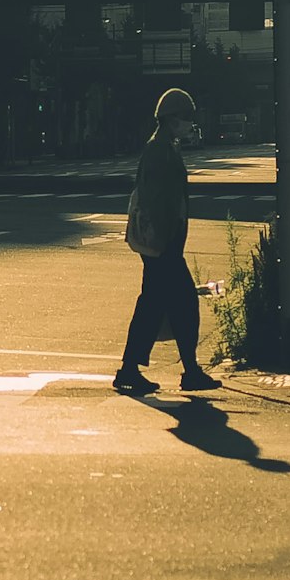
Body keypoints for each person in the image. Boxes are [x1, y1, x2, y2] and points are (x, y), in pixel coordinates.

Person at [115, 86, 215, 400]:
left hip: (162, 243)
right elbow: (158, 199)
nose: (189, 122)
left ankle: (133, 369)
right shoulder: (159, 150)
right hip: (163, 244)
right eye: (185, 117)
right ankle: (187, 372)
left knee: (155, 305)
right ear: (170, 119)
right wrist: (166, 240)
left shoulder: (165, 146)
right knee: (180, 303)